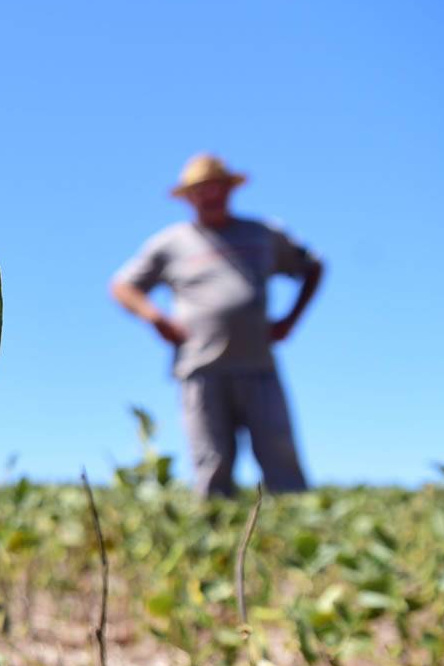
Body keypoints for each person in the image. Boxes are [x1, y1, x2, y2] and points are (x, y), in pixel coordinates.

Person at [109, 154, 324, 498]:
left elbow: (313, 265)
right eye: (201, 190)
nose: (209, 195)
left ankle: (296, 530)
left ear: (229, 190)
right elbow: (122, 286)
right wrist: (155, 318)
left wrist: (290, 320)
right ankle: (215, 535)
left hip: (258, 365)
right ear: (189, 197)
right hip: (201, 367)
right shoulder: (171, 242)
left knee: (280, 453)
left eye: (216, 187)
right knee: (211, 459)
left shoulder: (263, 234)